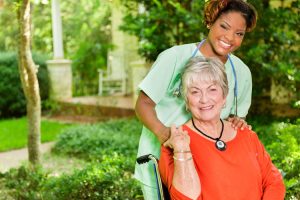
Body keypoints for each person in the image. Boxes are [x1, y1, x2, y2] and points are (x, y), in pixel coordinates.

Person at [135, 0, 258, 198]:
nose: (229, 37)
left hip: (208, 168)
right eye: (224, 26)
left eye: (239, 33)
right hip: (161, 161)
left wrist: (237, 122)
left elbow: (234, 118)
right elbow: (143, 104)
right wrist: (164, 135)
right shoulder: (174, 57)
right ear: (210, 22)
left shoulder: (242, 73)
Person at [159, 56, 285, 200]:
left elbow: (274, 183)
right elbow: (186, 198)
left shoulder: (245, 134)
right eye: (195, 92)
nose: (204, 99)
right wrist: (182, 150)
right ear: (187, 100)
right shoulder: (176, 143)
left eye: (212, 90)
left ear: (224, 96)